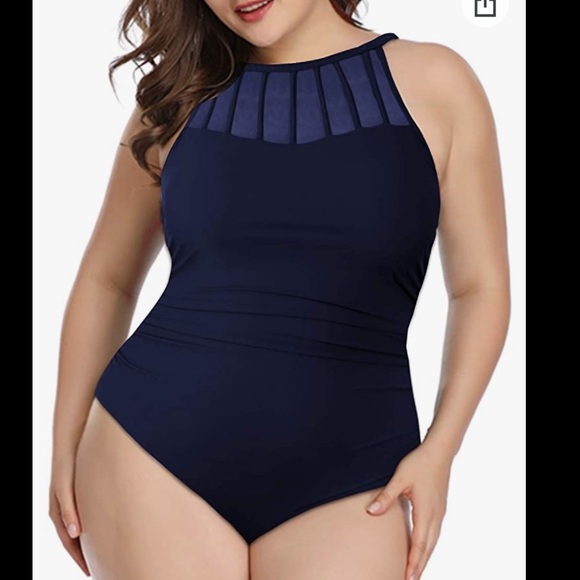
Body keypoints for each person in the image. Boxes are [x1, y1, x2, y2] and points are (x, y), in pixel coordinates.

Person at [49, 1, 510, 579]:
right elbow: (108, 277)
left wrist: (441, 449)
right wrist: (64, 444)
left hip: (358, 471)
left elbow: (479, 286)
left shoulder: (437, 82)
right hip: (152, 452)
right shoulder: (177, 94)